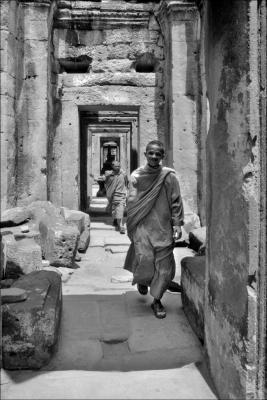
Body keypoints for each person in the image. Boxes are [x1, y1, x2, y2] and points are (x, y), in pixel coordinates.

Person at [124, 140, 184, 319]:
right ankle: (142, 280)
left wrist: (178, 224)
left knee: (164, 267)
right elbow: (132, 201)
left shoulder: (168, 177)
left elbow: (176, 201)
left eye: (158, 154)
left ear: (162, 156)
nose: (154, 156)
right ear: (145, 154)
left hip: (163, 228)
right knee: (145, 259)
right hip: (143, 227)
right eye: (151, 153)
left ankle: (157, 299)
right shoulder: (137, 175)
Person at [103, 160, 128, 234]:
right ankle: (116, 219)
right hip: (113, 195)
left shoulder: (123, 174)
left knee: (120, 209)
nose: (118, 167)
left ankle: (121, 226)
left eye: (119, 166)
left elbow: (127, 182)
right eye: (116, 166)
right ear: (112, 166)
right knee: (114, 210)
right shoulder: (109, 174)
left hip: (121, 195)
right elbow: (105, 181)